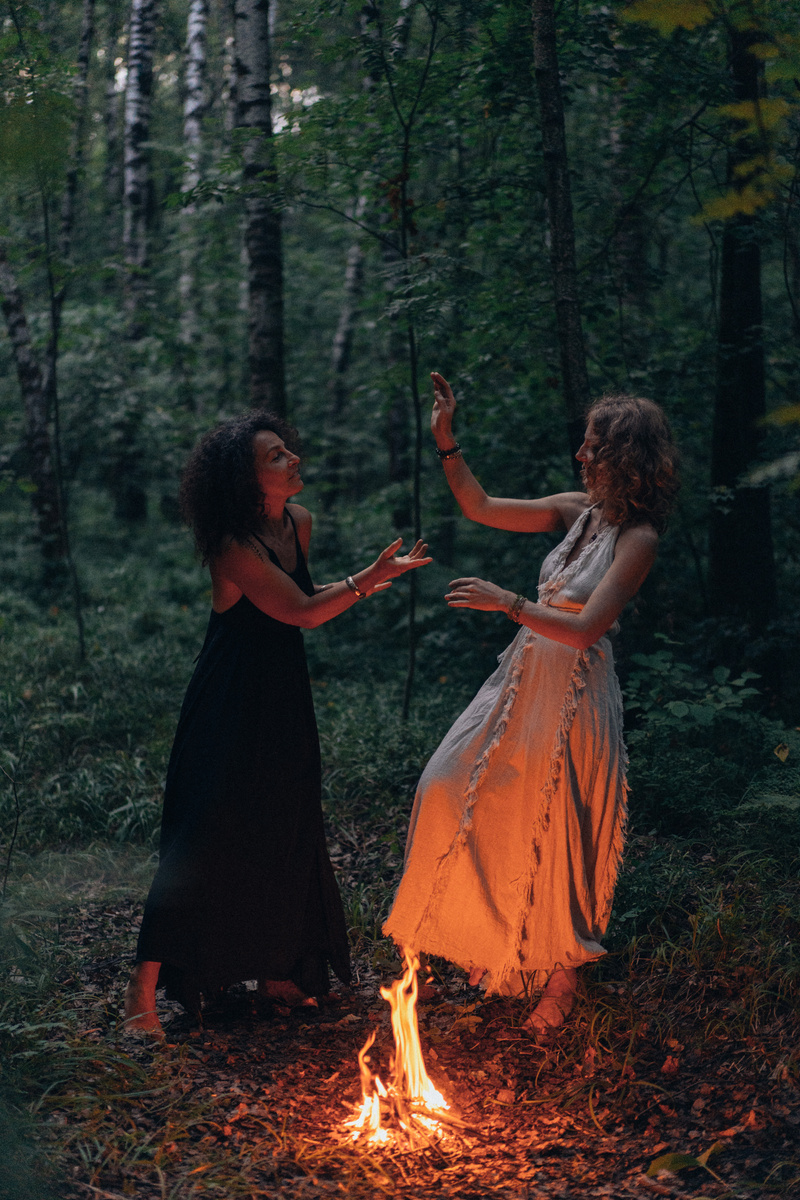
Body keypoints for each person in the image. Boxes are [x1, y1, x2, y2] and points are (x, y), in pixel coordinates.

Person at [383, 372, 678, 1038]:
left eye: (593, 447)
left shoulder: (639, 541)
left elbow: (584, 629)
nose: (581, 457)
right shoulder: (577, 509)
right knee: (446, 784)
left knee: (555, 829)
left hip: (575, 690)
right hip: (522, 678)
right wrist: (446, 441)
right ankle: (489, 939)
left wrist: (507, 602)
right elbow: (480, 506)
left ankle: (560, 975)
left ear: (625, 457)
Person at [125, 410, 431, 1035]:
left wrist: (358, 584)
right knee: (203, 832)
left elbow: (300, 610)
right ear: (246, 479)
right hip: (228, 698)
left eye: (288, 450)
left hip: (282, 693)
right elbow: (301, 611)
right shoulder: (230, 542)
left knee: (284, 820)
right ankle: (143, 991)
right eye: (275, 457)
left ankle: (277, 971)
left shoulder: (299, 521)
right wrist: (369, 579)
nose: (293, 458)